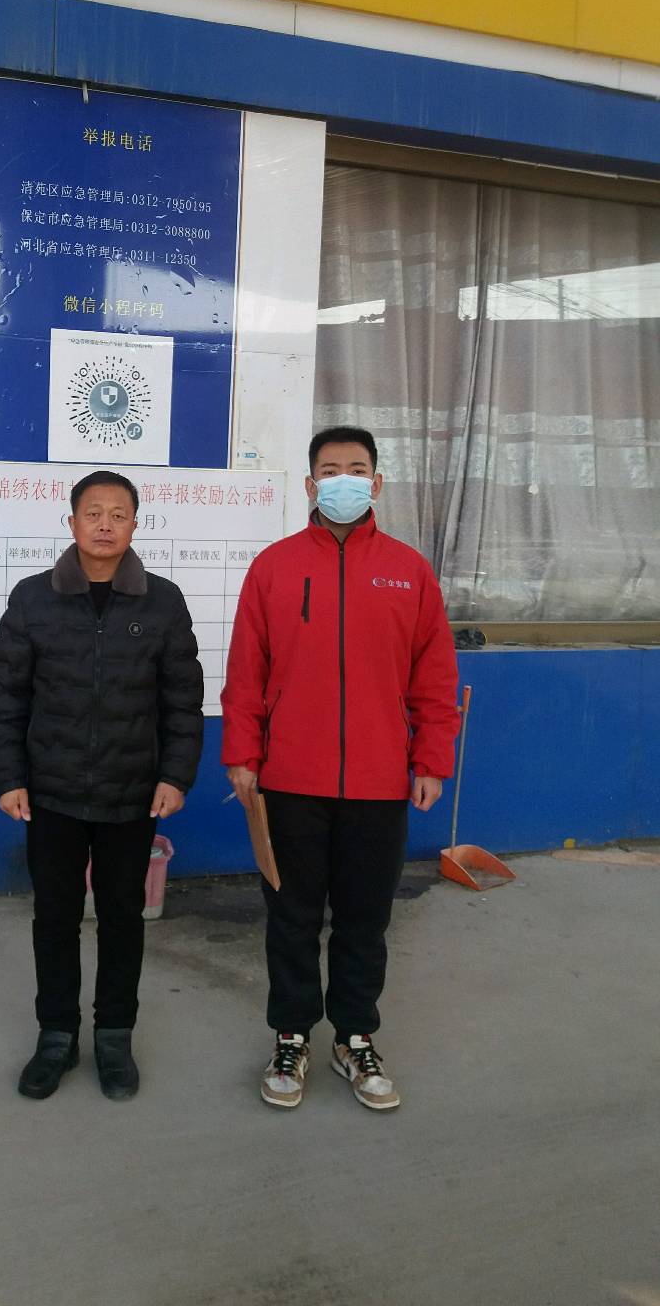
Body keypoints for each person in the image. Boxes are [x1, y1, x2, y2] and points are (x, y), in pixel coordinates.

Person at [221, 427, 458, 1112]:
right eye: (330, 470)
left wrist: (430, 758)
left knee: (364, 920)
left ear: (377, 484)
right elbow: (246, 673)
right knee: (290, 917)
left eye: (357, 469)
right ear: (310, 485)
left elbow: (434, 677)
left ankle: (354, 1037)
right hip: (289, 781)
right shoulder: (274, 567)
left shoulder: (409, 571)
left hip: (379, 784)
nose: (343, 480)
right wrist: (242, 754)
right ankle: (291, 1034)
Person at [0, 470, 203, 1102]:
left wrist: (175, 775)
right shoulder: (33, 598)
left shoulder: (162, 601)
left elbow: (182, 701)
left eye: (118, 514)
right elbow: (6, 696)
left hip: (130, 794)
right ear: (72, 521)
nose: (105, 524)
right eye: (93, 512)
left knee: (122, 917)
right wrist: (9, 777)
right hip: (50, 793)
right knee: (54, 918)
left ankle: (114, 1035)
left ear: (135, 524)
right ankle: (56, 1034)